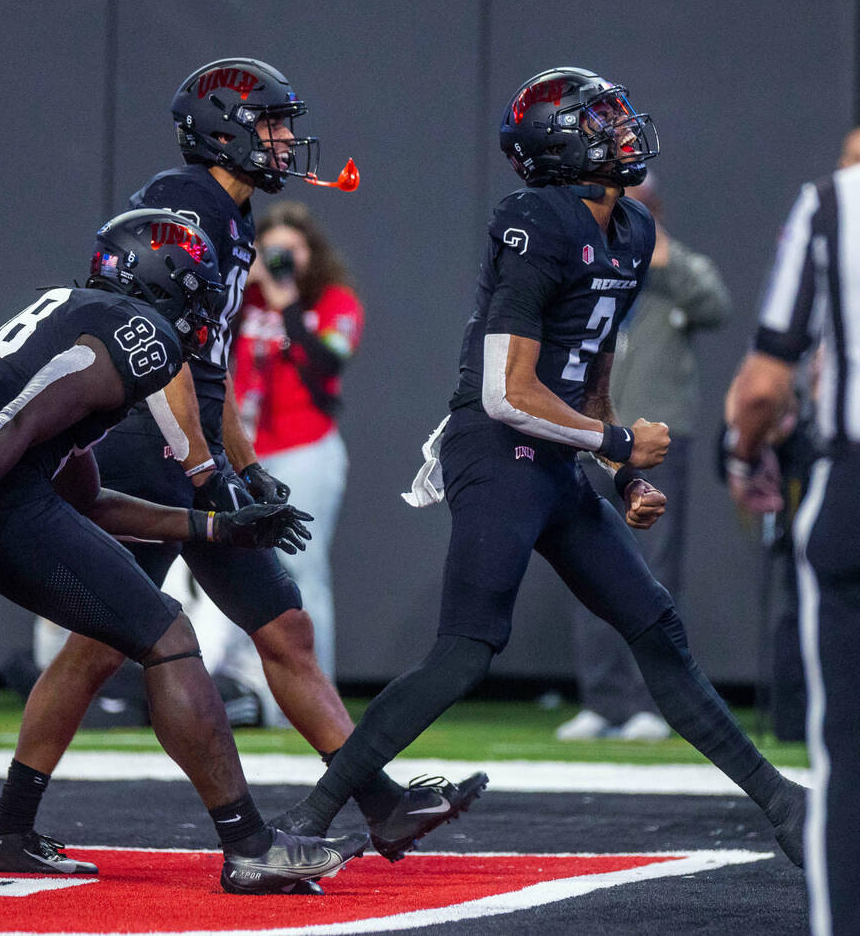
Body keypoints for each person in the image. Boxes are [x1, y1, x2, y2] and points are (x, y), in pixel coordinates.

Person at [274, 67, 806, 868]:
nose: (620, 130)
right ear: (558, 146)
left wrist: (623, 474)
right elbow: (504, 392)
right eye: (599, 120)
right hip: (495, 448)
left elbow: (590, 375)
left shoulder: (629, 229)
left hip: (554, 451)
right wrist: (619, 450)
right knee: (465, 651)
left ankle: (782, 806)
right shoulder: (535, 218)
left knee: (656, 626)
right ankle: (308, 822)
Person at [0, 58, 484, 873]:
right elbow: (156, 351)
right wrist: (208, 471)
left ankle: (379, 802)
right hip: (148, 448)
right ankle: (14, 823)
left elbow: (209, 370)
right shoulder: (186, 205)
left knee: (282, 625)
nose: (286, 139)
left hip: (190, 449)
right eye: (271, 123)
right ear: (223, 130)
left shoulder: (233, 214)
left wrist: (242, 463)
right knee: (104, 642)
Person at [0, 208, 367, 895]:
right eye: (198, 286)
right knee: (167, 635)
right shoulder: (138, 331)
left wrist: (213, 529)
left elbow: (86, 497)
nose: (206, 305)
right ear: (164, 280)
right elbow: (23, 417)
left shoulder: (79, 313)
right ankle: (251, 845)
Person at [725, 154, 860, 936]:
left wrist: (745, 457)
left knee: (846, 753)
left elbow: (766, 384)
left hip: (853, 489)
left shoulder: (833, 204)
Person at [556, 174, 731, 741]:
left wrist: (662, 254)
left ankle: (650, 704)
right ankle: (603, 702)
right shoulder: (593, 264)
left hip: (655, 439)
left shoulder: (679, 268)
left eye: (639, 204)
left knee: (653, 572)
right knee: (590, 566)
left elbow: (716, 306)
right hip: (593, 433)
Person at [232, 201, 365, 684]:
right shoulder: (244, 299)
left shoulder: (335, 302)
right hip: (246, 451)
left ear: (313, 253)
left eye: (293, 250)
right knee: (234, 567)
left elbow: (325, 365)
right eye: (273, 252)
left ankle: (313, 685)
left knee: (302, 567)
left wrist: (286, 300)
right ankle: (248, 687)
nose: (282, 261)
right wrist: (240, 281)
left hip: (305, 447)